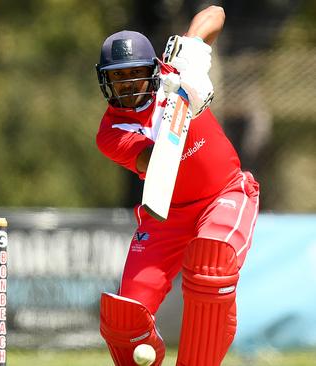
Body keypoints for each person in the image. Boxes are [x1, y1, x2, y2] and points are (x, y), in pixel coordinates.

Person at [94, 6, 259, 366]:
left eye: (136, 77)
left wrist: (191, 51)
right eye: (118, 79)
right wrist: (183, 106)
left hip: (225, 194)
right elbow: (157, 160)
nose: (128, 87)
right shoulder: (111, 134)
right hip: (165, 213)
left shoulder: (177, 74)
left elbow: (215, 12)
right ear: (105, 83)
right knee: (125, 319)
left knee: (211, 261)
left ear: (153, 71)